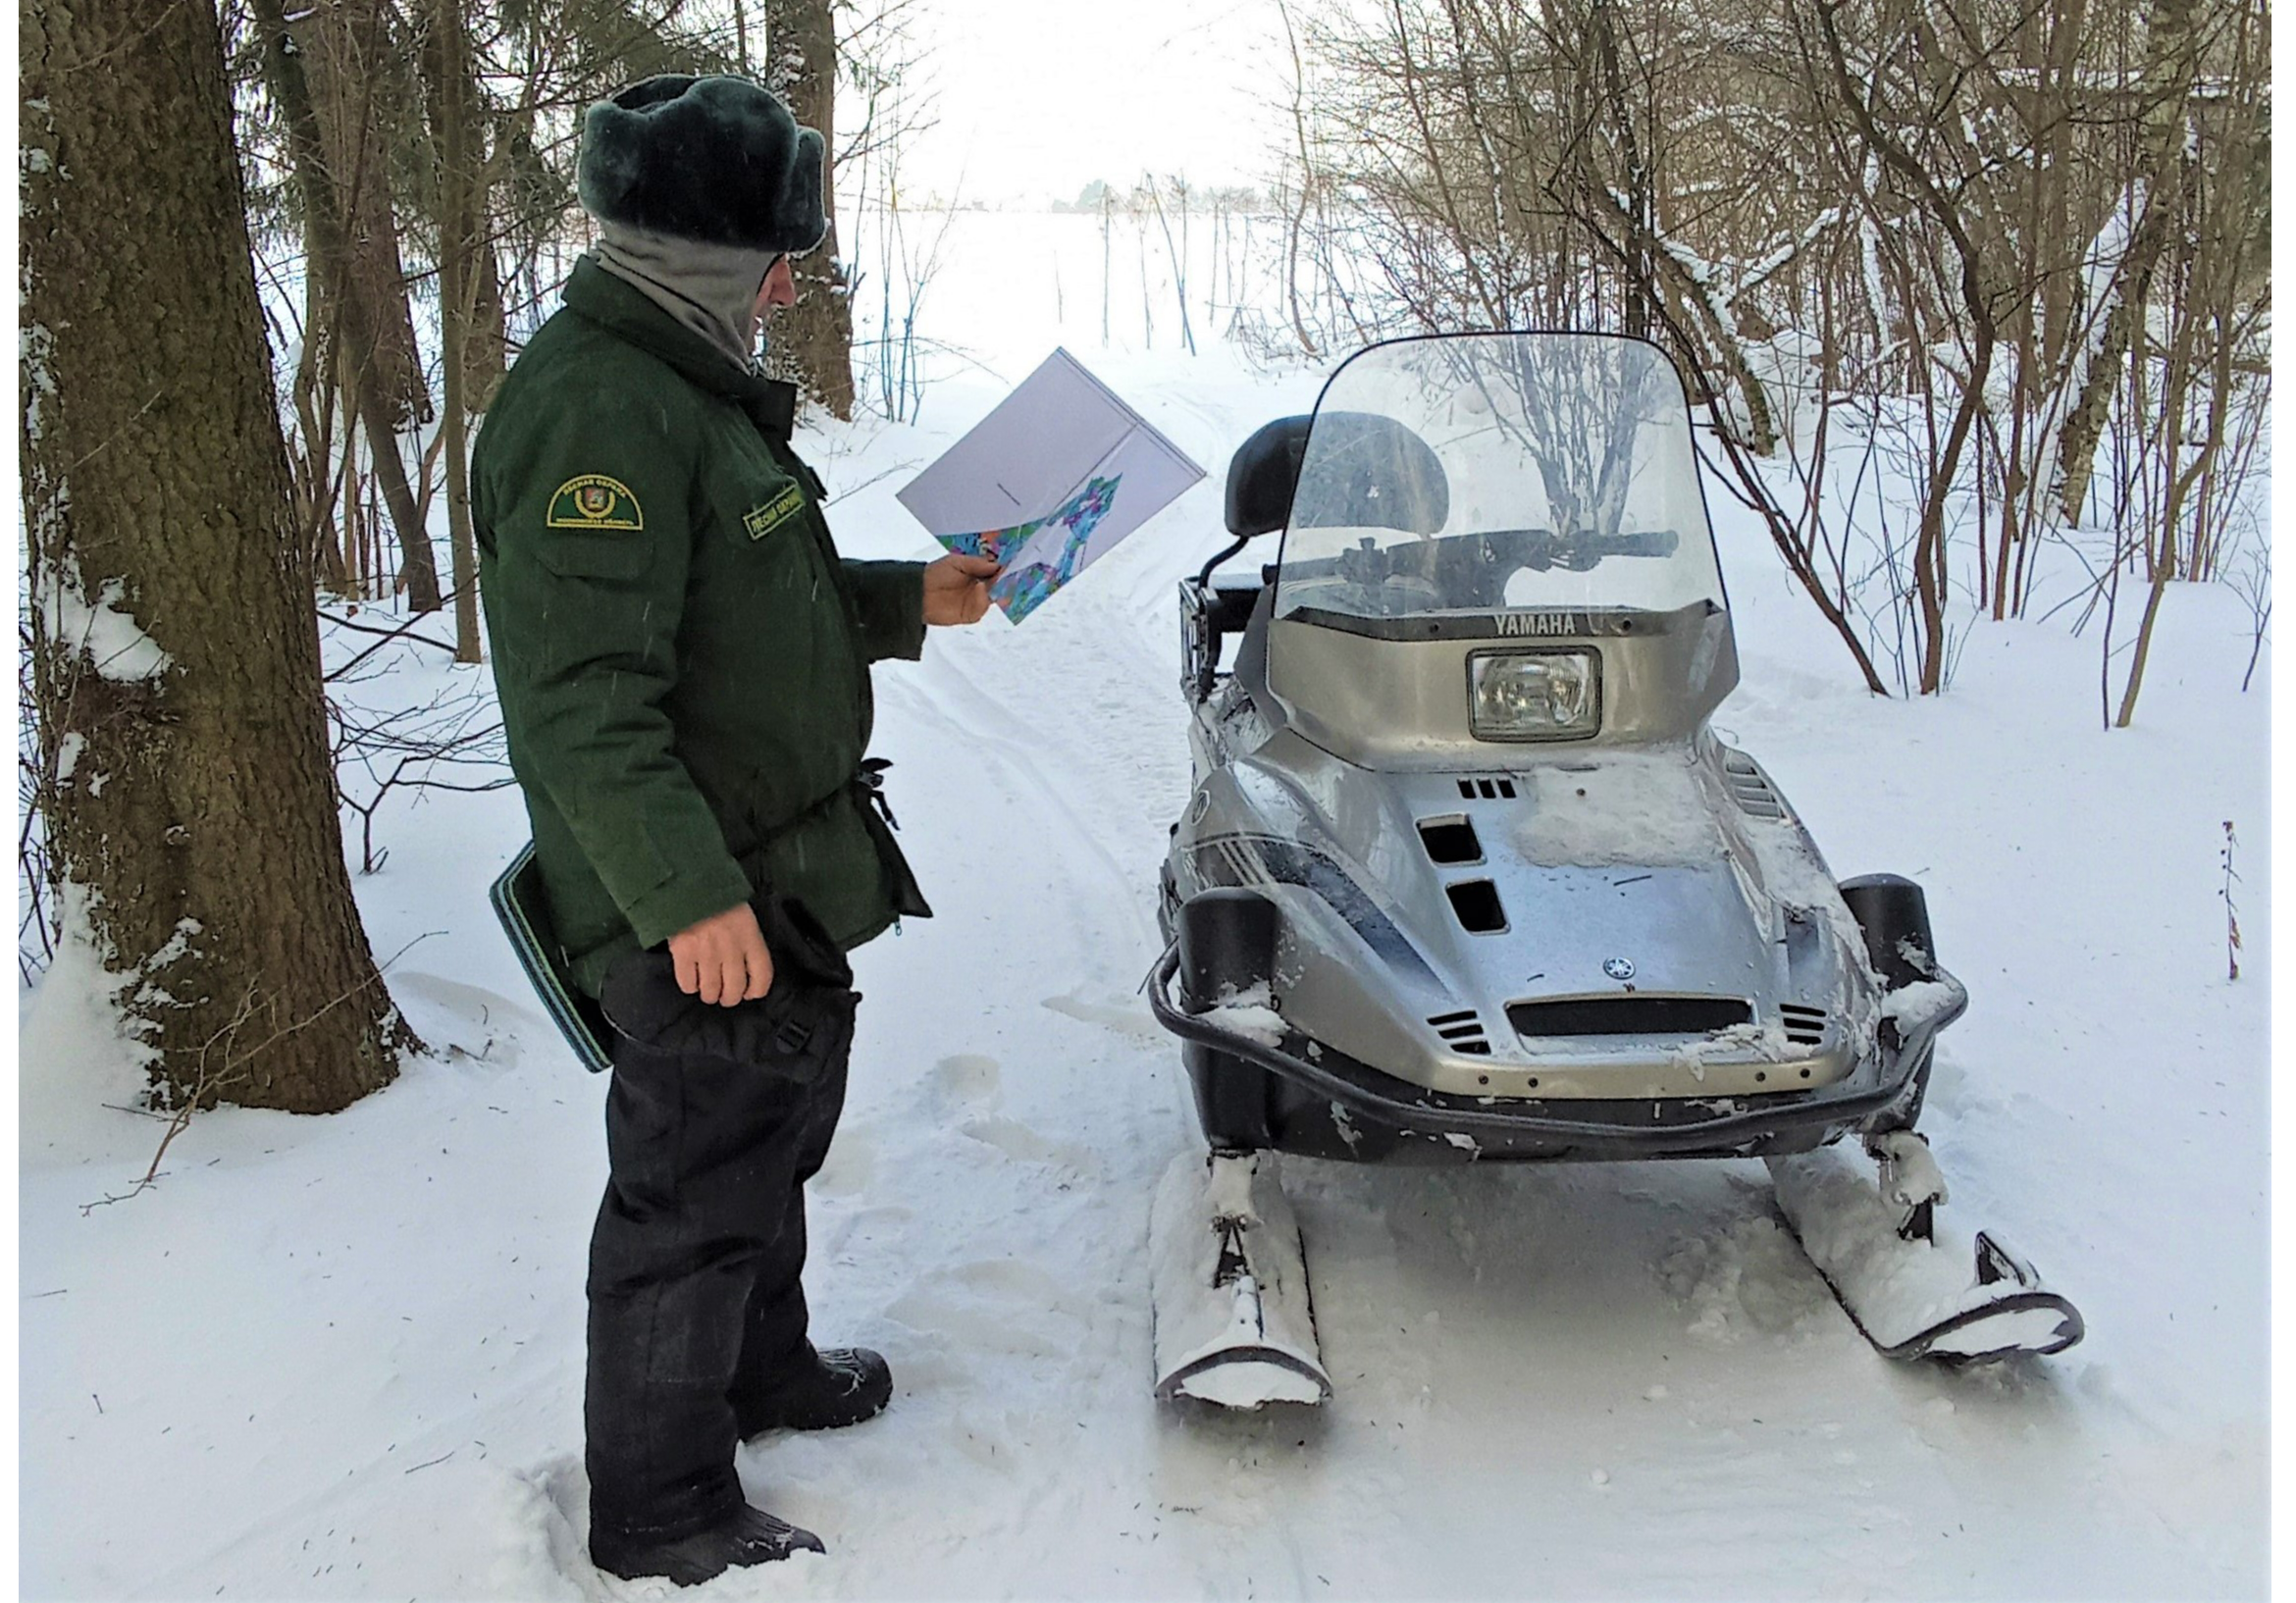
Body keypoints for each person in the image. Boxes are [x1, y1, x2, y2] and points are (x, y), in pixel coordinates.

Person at [472, 75, 1000, 1585]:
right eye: (777, 256)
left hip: (774, 876)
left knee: (771, 1136)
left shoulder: (684, 382)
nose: (790, 283)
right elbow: (582, 704)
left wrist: (909, 598)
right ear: (713, 258)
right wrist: (684, 898)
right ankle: (660, 1505)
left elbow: (750, 603)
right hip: (698, 897)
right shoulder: (598, 410)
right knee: (693, 1193)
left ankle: (764, 1371)